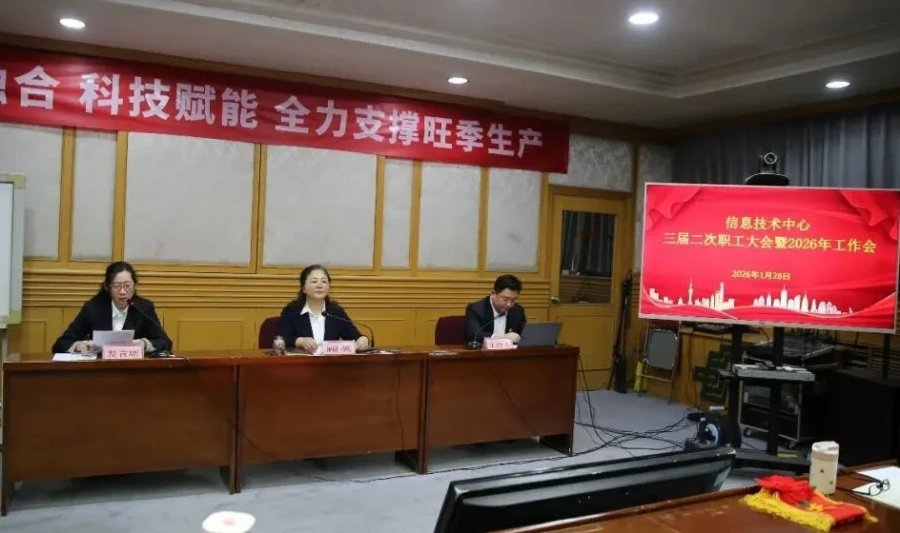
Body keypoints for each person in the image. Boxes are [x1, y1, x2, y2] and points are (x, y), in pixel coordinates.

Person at [52, 261, 172, 354]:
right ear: (107, 287)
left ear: (135, 285)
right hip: (101, 370)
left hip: (133, 371)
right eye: (116, 286)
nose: (122, 292)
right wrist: (79, 346)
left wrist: (144, 345)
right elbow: (61, 344)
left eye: (127, 285)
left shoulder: (143, 308)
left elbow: (165, 342)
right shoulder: (93, 308)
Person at [273, 264, 370, 354]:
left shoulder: (336, 312)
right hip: (301, 364)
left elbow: (355, 336)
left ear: (328, 287)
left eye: (324, 281)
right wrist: (299, 341)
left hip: (330, 364)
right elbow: (280, 339)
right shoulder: (292, 311)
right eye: (314, 281)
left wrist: (363, 339)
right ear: (303, 288)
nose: (320, 286)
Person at [465, 274, 526, 345]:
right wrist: (502, 337)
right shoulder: (476, 309)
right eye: (505, 299)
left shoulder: (518, 311)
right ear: (493, 294)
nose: (509, 304)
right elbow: (474, 334)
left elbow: (524, 335)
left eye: (513, 300)